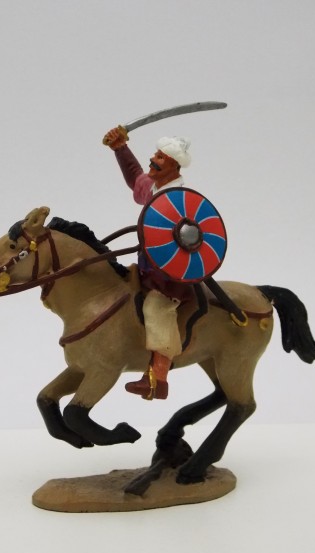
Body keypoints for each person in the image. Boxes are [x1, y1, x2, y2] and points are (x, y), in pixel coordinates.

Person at [104, 126, 194, 400]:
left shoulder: (179, 199)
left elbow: (189, 241)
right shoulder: (155, 188)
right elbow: (136, 178)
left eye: (161, 157)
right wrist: (120, 148)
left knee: (157, 308)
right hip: (146, 267)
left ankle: (158, 379)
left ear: (174, 165)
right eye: (155, 154)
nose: (153, 159)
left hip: (169, 277)